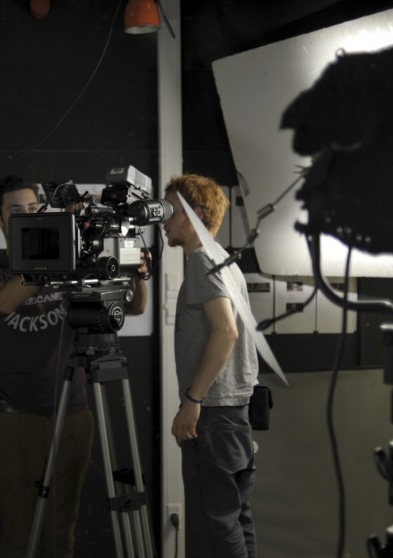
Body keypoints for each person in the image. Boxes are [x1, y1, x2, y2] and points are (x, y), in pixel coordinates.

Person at [0, 174, 148, 558]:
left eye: (34, 208)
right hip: (13, 417)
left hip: (71, 415)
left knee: (60, 534)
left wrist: (136, 270)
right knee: (19, 537)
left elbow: (133, 306)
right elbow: (2, 302)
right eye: (16, 210)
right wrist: (51, 250)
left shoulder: (73, 261)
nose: (28, 215)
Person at [162, 173, 258, 558]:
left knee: (213, 527)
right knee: (235, 520)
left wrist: (192, 400)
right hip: (234, 413)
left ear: (197, 215)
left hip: (214, 415)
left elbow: (226, 331)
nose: (163, 219)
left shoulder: (203, 260)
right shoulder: (223, 260)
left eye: (170, 210)